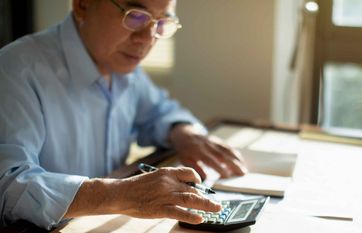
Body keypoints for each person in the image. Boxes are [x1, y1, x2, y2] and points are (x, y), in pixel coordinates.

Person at [0, 0, 247, 229]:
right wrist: (117, 194)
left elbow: (159, 111)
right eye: (136, 16)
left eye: (160, 23)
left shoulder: (121, 64)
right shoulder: (15, 70)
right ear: (83, 4)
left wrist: (184, 133)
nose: (147, 39)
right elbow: (8, 185)